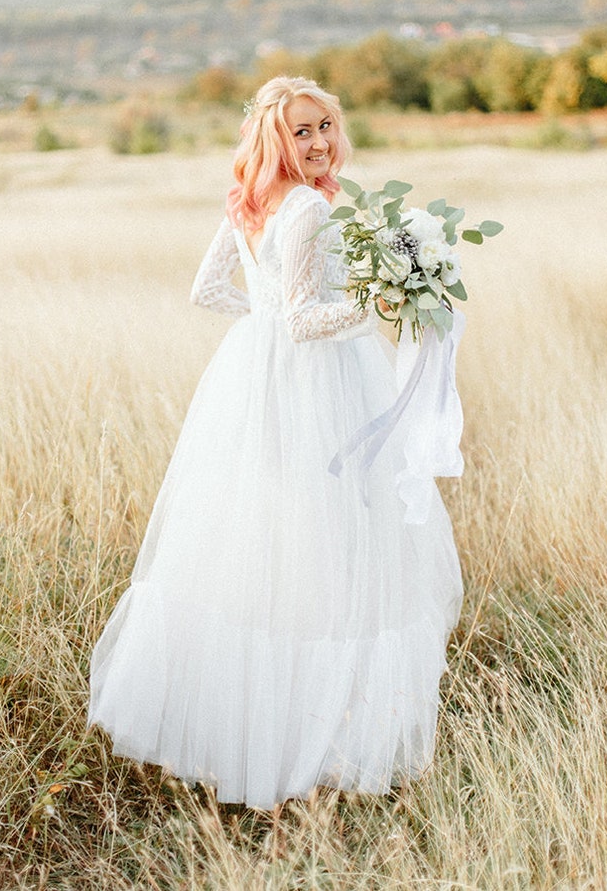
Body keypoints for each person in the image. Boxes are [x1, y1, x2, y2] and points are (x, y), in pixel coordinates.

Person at [88, 76, 463, 810]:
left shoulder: (250, 200)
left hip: (252, 384)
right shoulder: (299, 210)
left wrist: (255, 324)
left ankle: (251, 729)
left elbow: (211, 291)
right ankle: (311, 746)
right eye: (302, 131)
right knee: (328, 554)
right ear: (274, 139)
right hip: (313, 390)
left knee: (257, 549)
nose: (320, 141)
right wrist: (374, 306)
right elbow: (300, 321)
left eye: (325, 124)